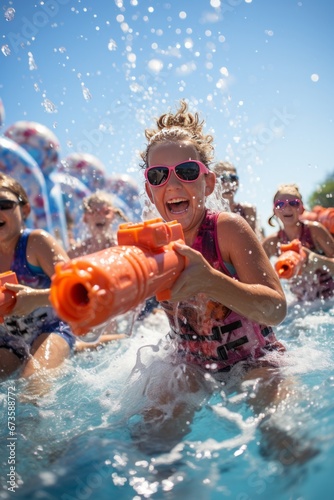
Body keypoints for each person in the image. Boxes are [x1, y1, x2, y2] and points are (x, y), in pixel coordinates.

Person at [124, 100, 314, 463]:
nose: (174, 183)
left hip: (256, 359)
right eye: (159, 176)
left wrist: (212, 280)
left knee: (283, 436)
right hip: (191, 366)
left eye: (187, 171)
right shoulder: (147, 245)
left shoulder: (226, 228)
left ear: (207, 182)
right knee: (151, 443)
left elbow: (276, 308)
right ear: (150, 191)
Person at [0, 173, 75, 384]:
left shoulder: (36, 243)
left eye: (4, 204)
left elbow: (79, 289)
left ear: (24, 210)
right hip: (7, 341)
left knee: (33, 385)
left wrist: (37, 298)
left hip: (51, 329)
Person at [263, 183, 334, 301]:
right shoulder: (272, 243)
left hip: (329, 299)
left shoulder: (314, 230)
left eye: (293, 203)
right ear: (274, 211)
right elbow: (255, 273)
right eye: (280, 204)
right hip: (301, 304)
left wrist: (317, 260)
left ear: (301, 208)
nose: (287, 208)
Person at [67, 190, 129, 258]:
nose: (100, 216)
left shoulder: (120, 246)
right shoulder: (77, 252)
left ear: (113, 216)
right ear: (85, 218)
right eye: (93, 212)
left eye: (105, 212)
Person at [212, 160, 264, 238]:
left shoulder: (248, 210)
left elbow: (251, 242)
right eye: (223, 179)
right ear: (214, 182)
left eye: (233, 178)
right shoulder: (209, 212)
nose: (228, 183)